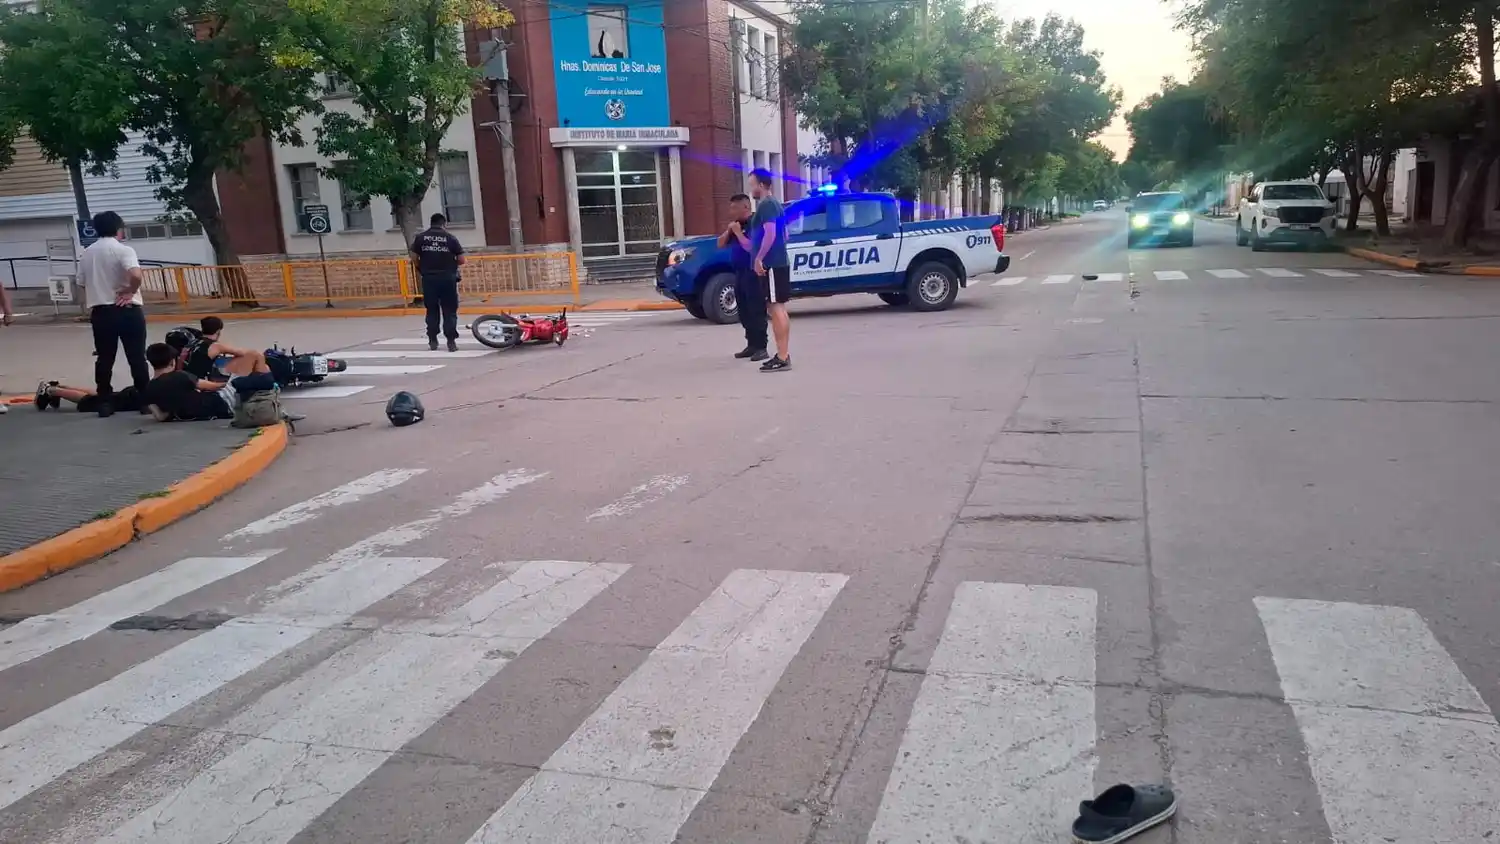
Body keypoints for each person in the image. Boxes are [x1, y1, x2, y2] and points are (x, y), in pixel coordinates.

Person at [79, 211, 148, 416]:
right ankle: (145, 400)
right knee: (136, 357)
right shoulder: (124, 250)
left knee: (105, 358)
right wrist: (130, 291)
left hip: (101, 312)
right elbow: (136, 275)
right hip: (128, 310)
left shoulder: (87, 253)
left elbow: (81, 282)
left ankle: (105, 402)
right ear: (119, 228)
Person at [139, 342, 300, 423]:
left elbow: (160, 416)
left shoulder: (149, 388)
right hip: (222, 401)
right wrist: (233, 381)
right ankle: (278, 409)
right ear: (172, 362)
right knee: (256, 357)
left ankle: (275, 403)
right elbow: (214, 387)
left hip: (210, 411)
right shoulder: (180, 376)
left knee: (256, 370)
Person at [747, 169, 791, 372]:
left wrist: (759, 258)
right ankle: (782, 354)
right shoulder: (776, 205)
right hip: (777, 262)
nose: (751, 189)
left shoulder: (766, 205)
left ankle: (782, 356)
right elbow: (786, 234)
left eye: (752, 185)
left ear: (762, 185)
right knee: (777, 307)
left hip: (771, 264)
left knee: (776, 308)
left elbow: (771, 233)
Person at [719, 194, 767, 361]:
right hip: (739, 272)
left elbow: (751, 247)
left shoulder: (754, 223)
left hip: (753, 272)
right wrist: (729, 231)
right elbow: (720, 244)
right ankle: (751, 344)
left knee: (756, 309)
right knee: (744, 310)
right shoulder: (736, 225)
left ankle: (761, 347)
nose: (731, 211)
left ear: (745, 207)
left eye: (734, 208)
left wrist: (739, 233)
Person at [409, 213, 466, 352]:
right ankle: (451, 342)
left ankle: (432, 340)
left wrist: (420, 267)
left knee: (432, 310)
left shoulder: (421, 238)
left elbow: (414, 256)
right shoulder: (450, 238)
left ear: (431, 223)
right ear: (443, 224)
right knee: (449, 310)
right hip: (448, 279)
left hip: (429, 279)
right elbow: (461, 260)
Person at [182, 315, 267, 381]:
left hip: (189, 378)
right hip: (204, 380)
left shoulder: (192, 343)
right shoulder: (215, 346)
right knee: (254, 355)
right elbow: (241, 353)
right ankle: (264, 384)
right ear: (218, 331)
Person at [34, 380, 144, 415]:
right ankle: (50, 390)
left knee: (102, 396)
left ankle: (58, 387)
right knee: (90, 401)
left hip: (136, 391)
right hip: (136, 398)